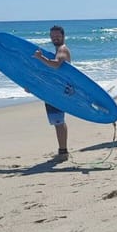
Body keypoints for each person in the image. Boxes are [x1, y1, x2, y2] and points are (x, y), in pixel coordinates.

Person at [33, 25, 71, 160]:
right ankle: (63, 150)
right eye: (52, 36)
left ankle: (63, 152)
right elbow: (51, 72)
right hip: (54, 90)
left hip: (59, 92)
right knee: (57, 121)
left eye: (57, 35)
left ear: (63, 36)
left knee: (59, 121)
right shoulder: (57, 50)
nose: (55, 38)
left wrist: (40, 57)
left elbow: (56, 64)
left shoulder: (62, 49)